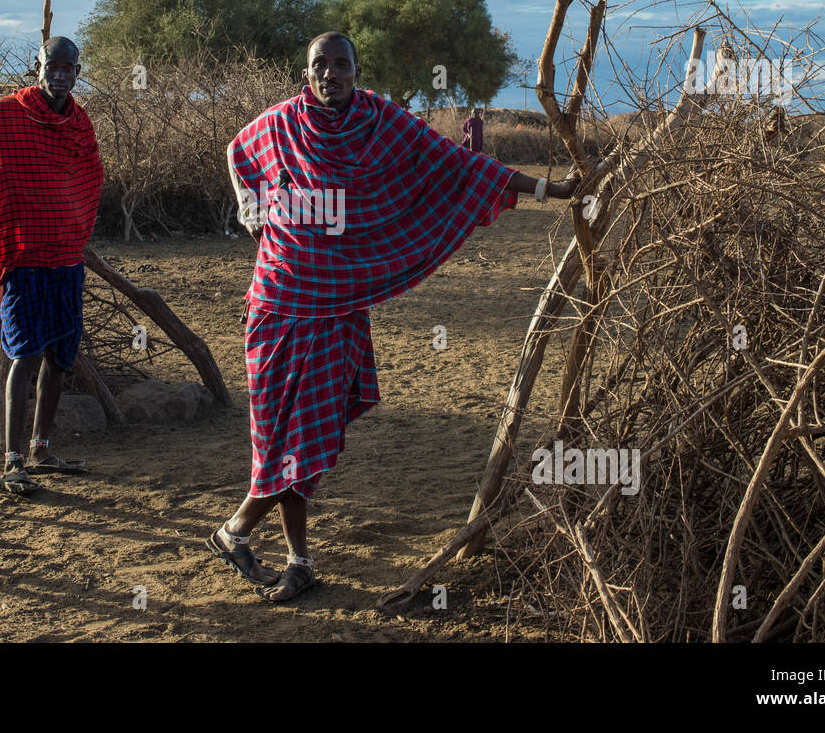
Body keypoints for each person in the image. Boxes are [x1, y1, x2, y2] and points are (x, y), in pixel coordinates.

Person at [210, 31, 579, 601]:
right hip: (278, 303)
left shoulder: (383, 122)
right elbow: (237, 151)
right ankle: (285, 553)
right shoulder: (280, 125)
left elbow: (457, 164)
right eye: (319, 65)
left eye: (341, 64)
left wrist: (548, 190)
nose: (330, 73)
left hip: (339, 304)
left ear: (358, 70)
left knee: (304, 439)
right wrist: (249, 205)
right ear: (306, 72)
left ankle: (243, 535)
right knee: (285, 439)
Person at [0, 35, 103, 495]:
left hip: (65, 258)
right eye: (51, 66)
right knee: (23, 353)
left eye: (68, 69)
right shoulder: (5, 114)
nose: (59, 75)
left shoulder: (80, 123)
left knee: (60, 355)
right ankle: (12, 459)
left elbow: (91, 176)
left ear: (77, 72)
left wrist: (77, 225)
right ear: (35, 66)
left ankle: (41, 448)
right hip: (23, 257)